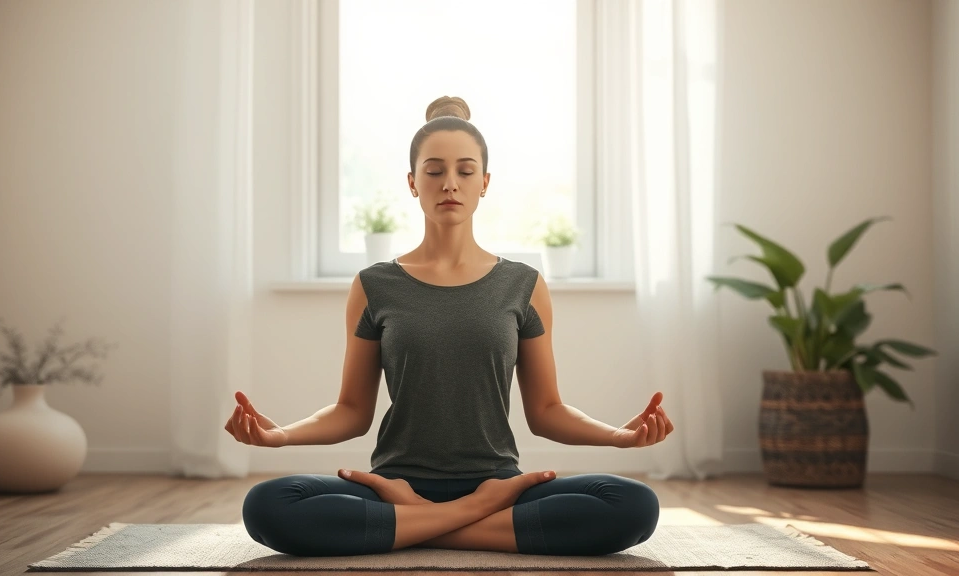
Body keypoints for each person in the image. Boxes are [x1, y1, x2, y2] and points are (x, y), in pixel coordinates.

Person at [225, 96, 674, 558]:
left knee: (633, 504)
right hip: (395, 484)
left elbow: (546, 411)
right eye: (434, 171)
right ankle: (471, 520)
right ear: (412, 183)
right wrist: (278, 436)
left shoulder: (523, 284)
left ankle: (416, 527)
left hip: (497, 483)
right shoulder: (373, 285)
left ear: (484, 182)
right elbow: (352, 411)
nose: (449, 185)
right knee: (268, 504)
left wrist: (620, 436)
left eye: (464, 171)